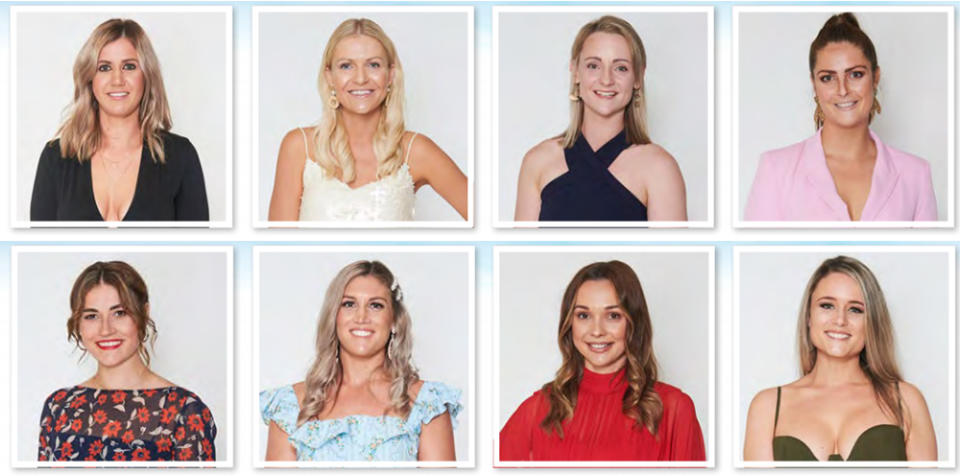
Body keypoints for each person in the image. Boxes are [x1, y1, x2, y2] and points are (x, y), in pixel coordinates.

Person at [499, 261, 703, 460]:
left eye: (613, 315)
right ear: (570, 324)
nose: (597, 331)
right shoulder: (539, 409)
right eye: (583, 315)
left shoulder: (674, 409)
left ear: (634, 323)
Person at [268, 19, 467, 222]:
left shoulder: (416, 151)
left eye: (373, 65)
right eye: (346, 66)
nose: (361, 78)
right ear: (329, 77)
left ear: (390, 75)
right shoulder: (298, 147)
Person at [744, 13, 937, 222]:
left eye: (855, 74)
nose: (843, 90)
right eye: (828, 78)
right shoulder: (776, 170)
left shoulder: (915, 174)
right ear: (814, 85)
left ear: (875, 77)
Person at [260, 261, 461, 461]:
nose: (362, 317)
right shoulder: (290, 406)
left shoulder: (427, 404)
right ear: (334, 317)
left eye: (375, 305)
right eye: (349, 304)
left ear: (393, 320)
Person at [743, 256, 936, 461]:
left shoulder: (906, 400)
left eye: (855, 309)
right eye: (827, 306)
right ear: (809, 316)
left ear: (872, 322)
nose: (840, 320)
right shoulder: (767, 407)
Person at [30, 18, 209, 222]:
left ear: (147, 75)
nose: (117, 80)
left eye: (129, 66)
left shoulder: (181, 157)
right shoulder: (55, 159)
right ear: (90, 78)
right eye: (104, 68)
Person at [38, 261, 216, 461]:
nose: (106, 330)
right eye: (91, 316)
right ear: (78, 323)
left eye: (119, 313)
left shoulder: (184, 412)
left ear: (144, 313)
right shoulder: (59, 407)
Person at [513, 16, 686, 222]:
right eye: (593, 66)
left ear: (638, 77)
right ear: (575, 72)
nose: (606, 80)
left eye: (620, 68)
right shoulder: (537, 162)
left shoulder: (660, 168)